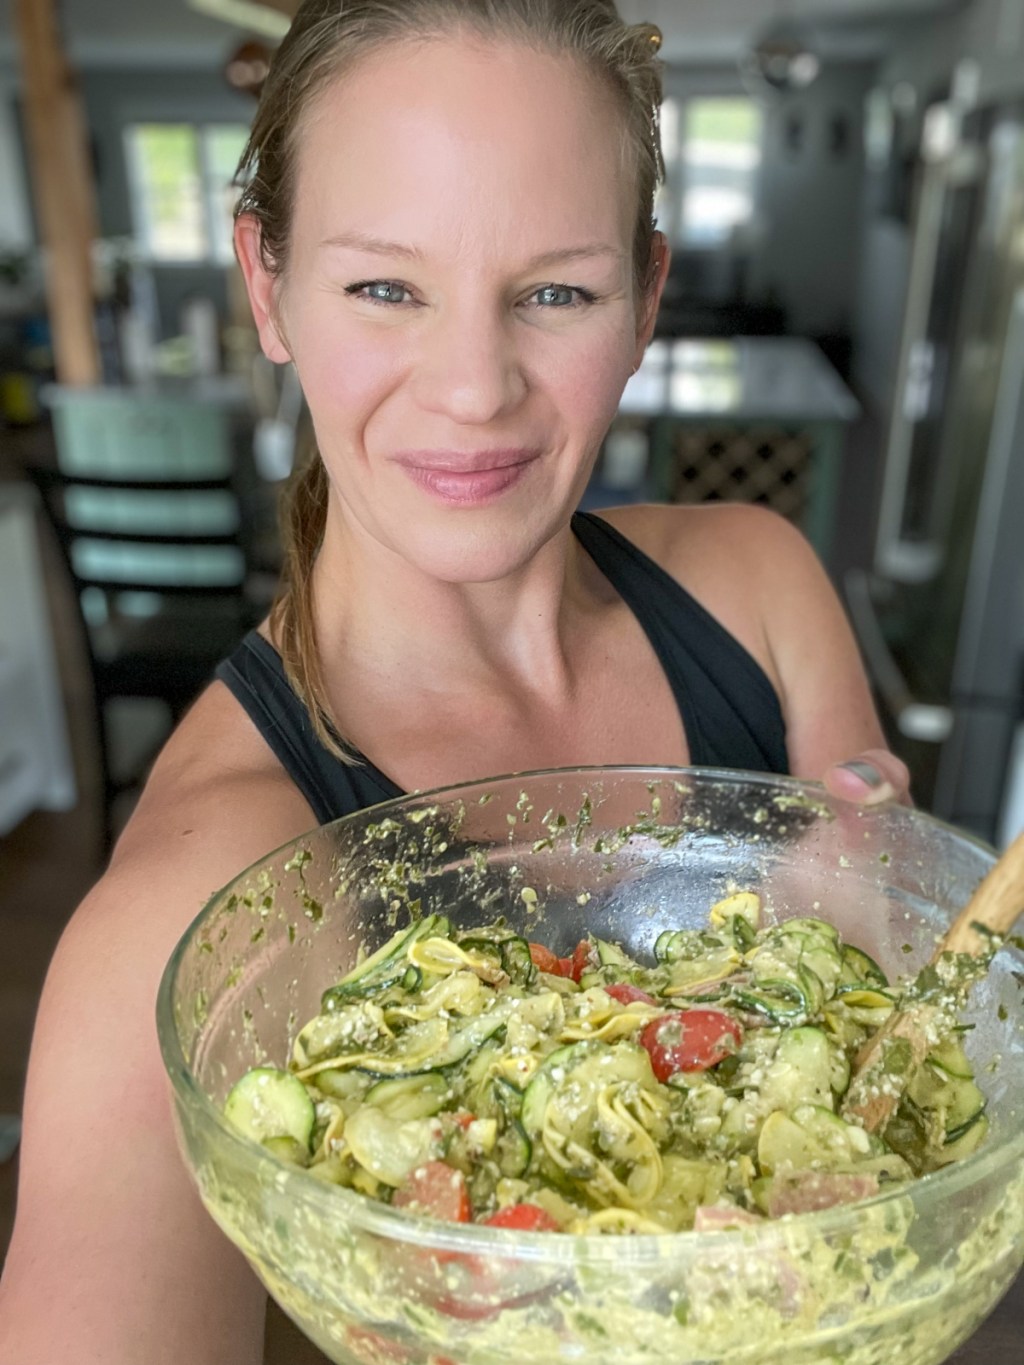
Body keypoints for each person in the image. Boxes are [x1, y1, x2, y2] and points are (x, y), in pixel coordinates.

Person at [0, 2, 908, 1361]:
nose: (474, 388)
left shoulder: (761, 588)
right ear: (268, 284)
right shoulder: (197, 920)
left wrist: (868, 902)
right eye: (384, 286)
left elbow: (892, 1084)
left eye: (556, 291)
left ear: (648, 296)